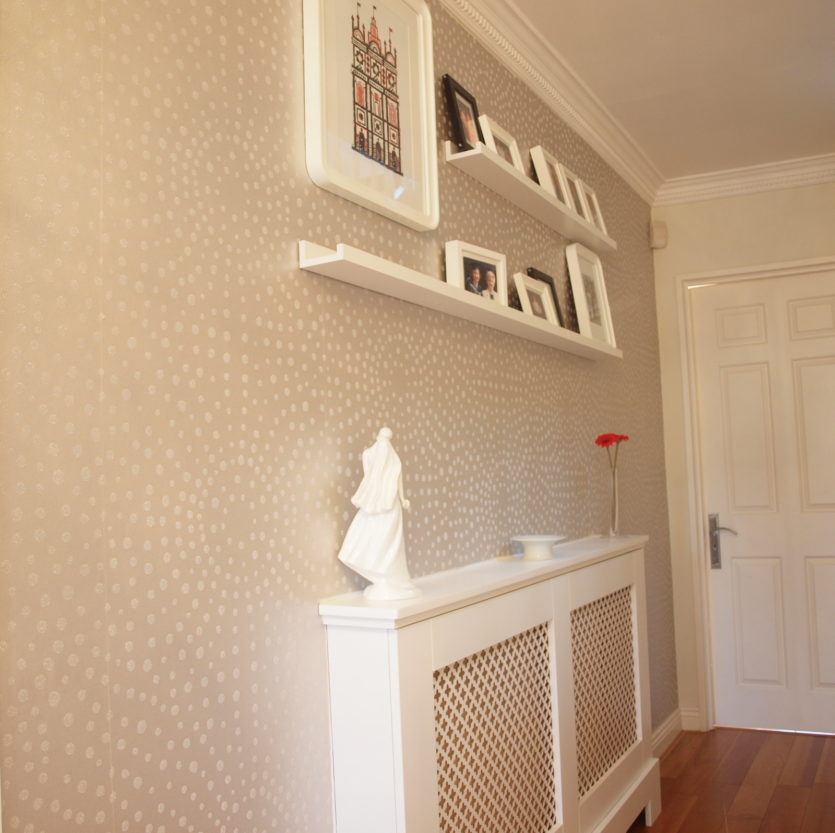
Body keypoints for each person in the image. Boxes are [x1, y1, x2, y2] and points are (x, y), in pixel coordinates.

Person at [337, 427, 419, 600]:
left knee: (390, 540)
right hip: (377, 503)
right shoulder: (372, 455)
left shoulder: (390, 458)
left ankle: (391, 577)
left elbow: (398, 480)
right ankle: (380, 572)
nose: (384, 444)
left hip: (389, 504)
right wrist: (401, 498)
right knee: (374, 536)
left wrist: (403, 498)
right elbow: (371, 473)